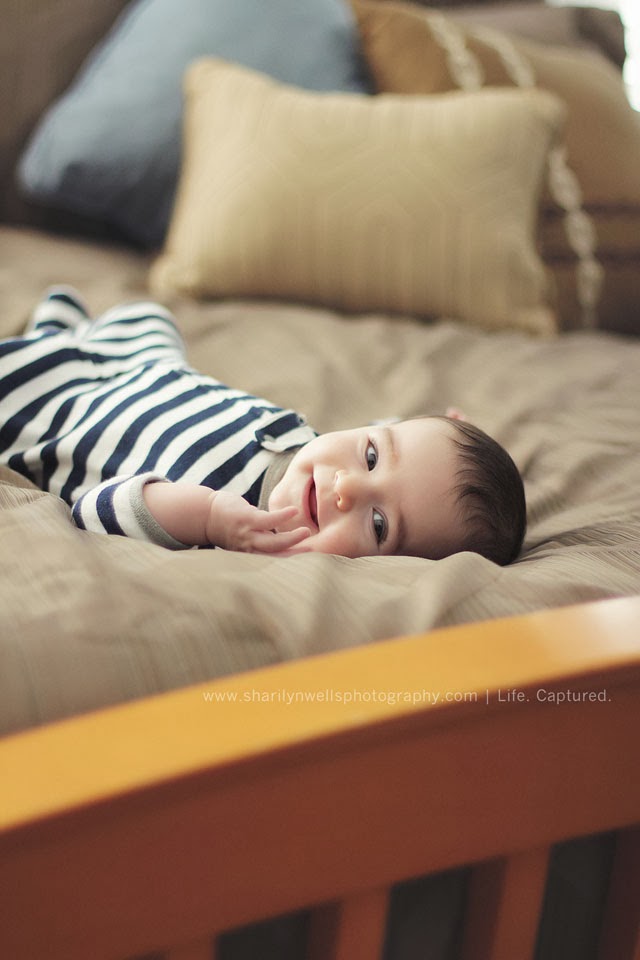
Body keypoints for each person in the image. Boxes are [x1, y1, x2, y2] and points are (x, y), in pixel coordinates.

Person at [0, 288, 526, 563]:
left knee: (26, 369)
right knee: (149, 316)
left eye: (379, 526)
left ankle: (54, 335)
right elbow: (385, 439)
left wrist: (207, 518)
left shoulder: (237, 532)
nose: (346, 488)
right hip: (150, 369)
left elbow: (96, 510)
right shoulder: (317, 450)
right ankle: (65, 331)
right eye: (370, 457)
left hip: (63, 412)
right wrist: (444, 427)